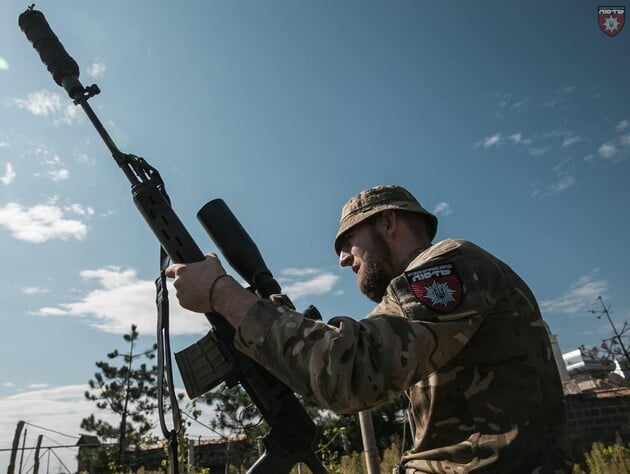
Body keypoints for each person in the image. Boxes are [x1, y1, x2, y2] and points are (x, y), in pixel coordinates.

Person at [165, 184, 573, 473]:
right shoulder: (430, 298)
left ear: (388, 222)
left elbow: (352, 373)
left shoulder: (451, 265)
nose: (343, 259)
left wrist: (222, 293)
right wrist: (272, 319)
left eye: (347, 240)